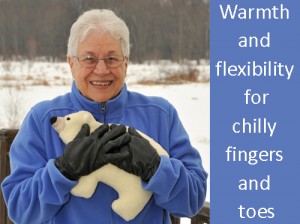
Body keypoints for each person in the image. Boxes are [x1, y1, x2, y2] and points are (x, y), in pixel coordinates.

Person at [1, 9, 207, 224]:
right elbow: (21, 210)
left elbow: (192, 201)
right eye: (89, 59)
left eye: (111, 58)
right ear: (72, 64)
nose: (101, 70)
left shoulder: (160, 115)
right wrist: (63, 170)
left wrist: (155, 168)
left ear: (125, 63)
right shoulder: (43, 120)